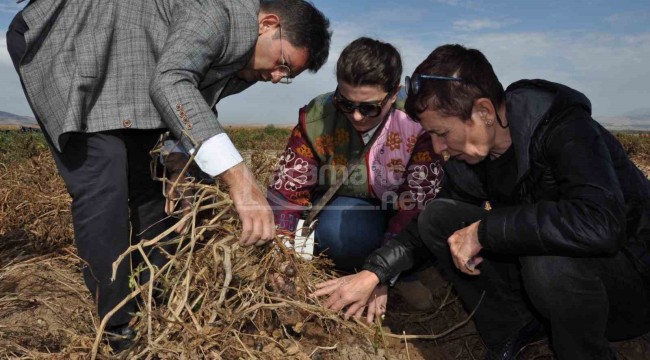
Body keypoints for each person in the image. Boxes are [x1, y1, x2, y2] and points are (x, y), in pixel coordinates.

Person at [7, 0, 331, 351]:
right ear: (267, 24)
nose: (276, 77)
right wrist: (240, 178)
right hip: (73, 44)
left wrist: (179, 162)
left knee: (155, 186)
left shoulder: (246, 61)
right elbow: (172, 81)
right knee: (105, 179)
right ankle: (118, 327)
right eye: (282, 64)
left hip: (127, 74)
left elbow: (194, 103)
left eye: (288, 77)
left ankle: (154, 300)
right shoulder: (219, 12)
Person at [311, 44, 650, 360]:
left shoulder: (565, 129)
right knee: (438, 217)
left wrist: (486, 230)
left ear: (484, 111)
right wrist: (375, 272)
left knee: (545, 259)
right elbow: (425, 225)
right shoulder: (473, 155)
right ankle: (518, 337)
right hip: (556, 293)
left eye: (443, 134)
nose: (439, 149)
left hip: (632, 285)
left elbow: (600, 221)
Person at [268, 37, 445, 311]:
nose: (357, 117)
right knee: (341, 235)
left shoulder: (418, 121)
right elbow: (288, 188)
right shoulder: (318, 116)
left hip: (404, 210)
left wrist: (383, 273)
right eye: (346, 104)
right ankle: (362, 267)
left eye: (369, 107)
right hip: (355, 208)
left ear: (394, 92)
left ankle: (407, 272)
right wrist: (280, 254)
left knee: (425, 223)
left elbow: (419, 204)